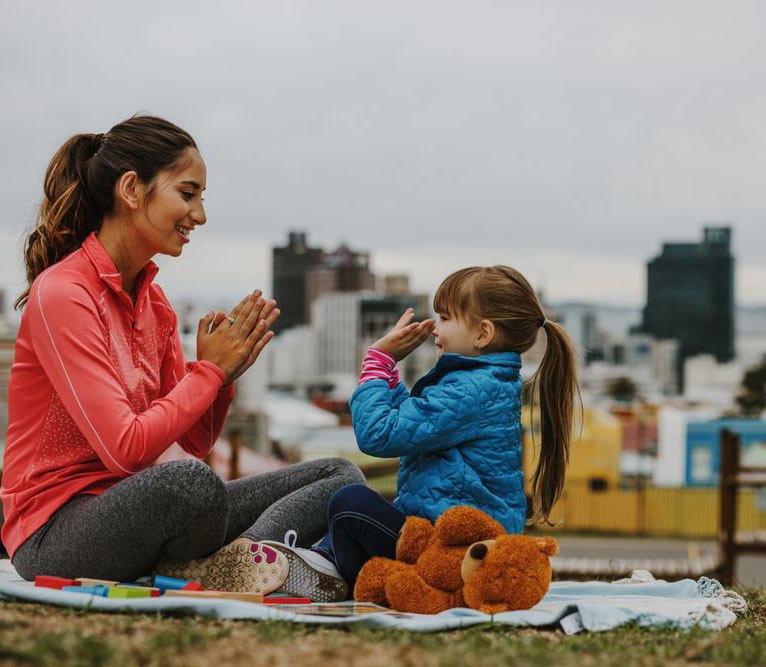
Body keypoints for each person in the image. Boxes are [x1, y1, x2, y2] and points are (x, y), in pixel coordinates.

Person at [1, 115, 363, 601]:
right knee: (190, 485)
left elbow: (191, 440)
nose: (200, 215)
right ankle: (220, 564)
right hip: (54, 531)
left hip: (150, 507)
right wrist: (209, 371)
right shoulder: (64, 294)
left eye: (202, 198)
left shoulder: (156, 305)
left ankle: (236, 562)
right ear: (132, 189)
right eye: (188, 194)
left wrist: (224, 375)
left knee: (338, 475)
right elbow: (125, 450)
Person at [311, 265, 579, 593]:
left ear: (483, 333)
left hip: (451, 557)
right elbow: (415, 422)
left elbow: (378, 434)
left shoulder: (471, 390)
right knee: (357, 502)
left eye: (446, 318)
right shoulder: (483, 384)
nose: (436, 329)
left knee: (350, 502)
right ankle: (324, 560)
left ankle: (326, 571)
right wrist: (391, 375)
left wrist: (378, 361)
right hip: (449, 546)